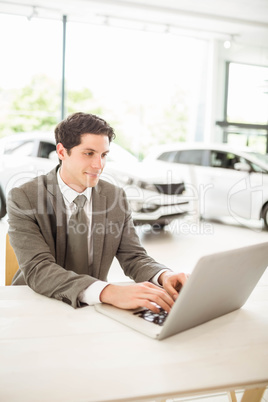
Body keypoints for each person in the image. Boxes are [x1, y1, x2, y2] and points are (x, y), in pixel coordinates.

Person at [7, 112, 188, 312]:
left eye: (103, 155)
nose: (98, 165)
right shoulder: (24, 197)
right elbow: (38, 269)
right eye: (88, 153)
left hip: (92, 306)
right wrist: (109, 292)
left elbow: (133, 256)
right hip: (37, 304)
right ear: (61, 151)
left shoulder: (114, 196)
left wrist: (164, 275)